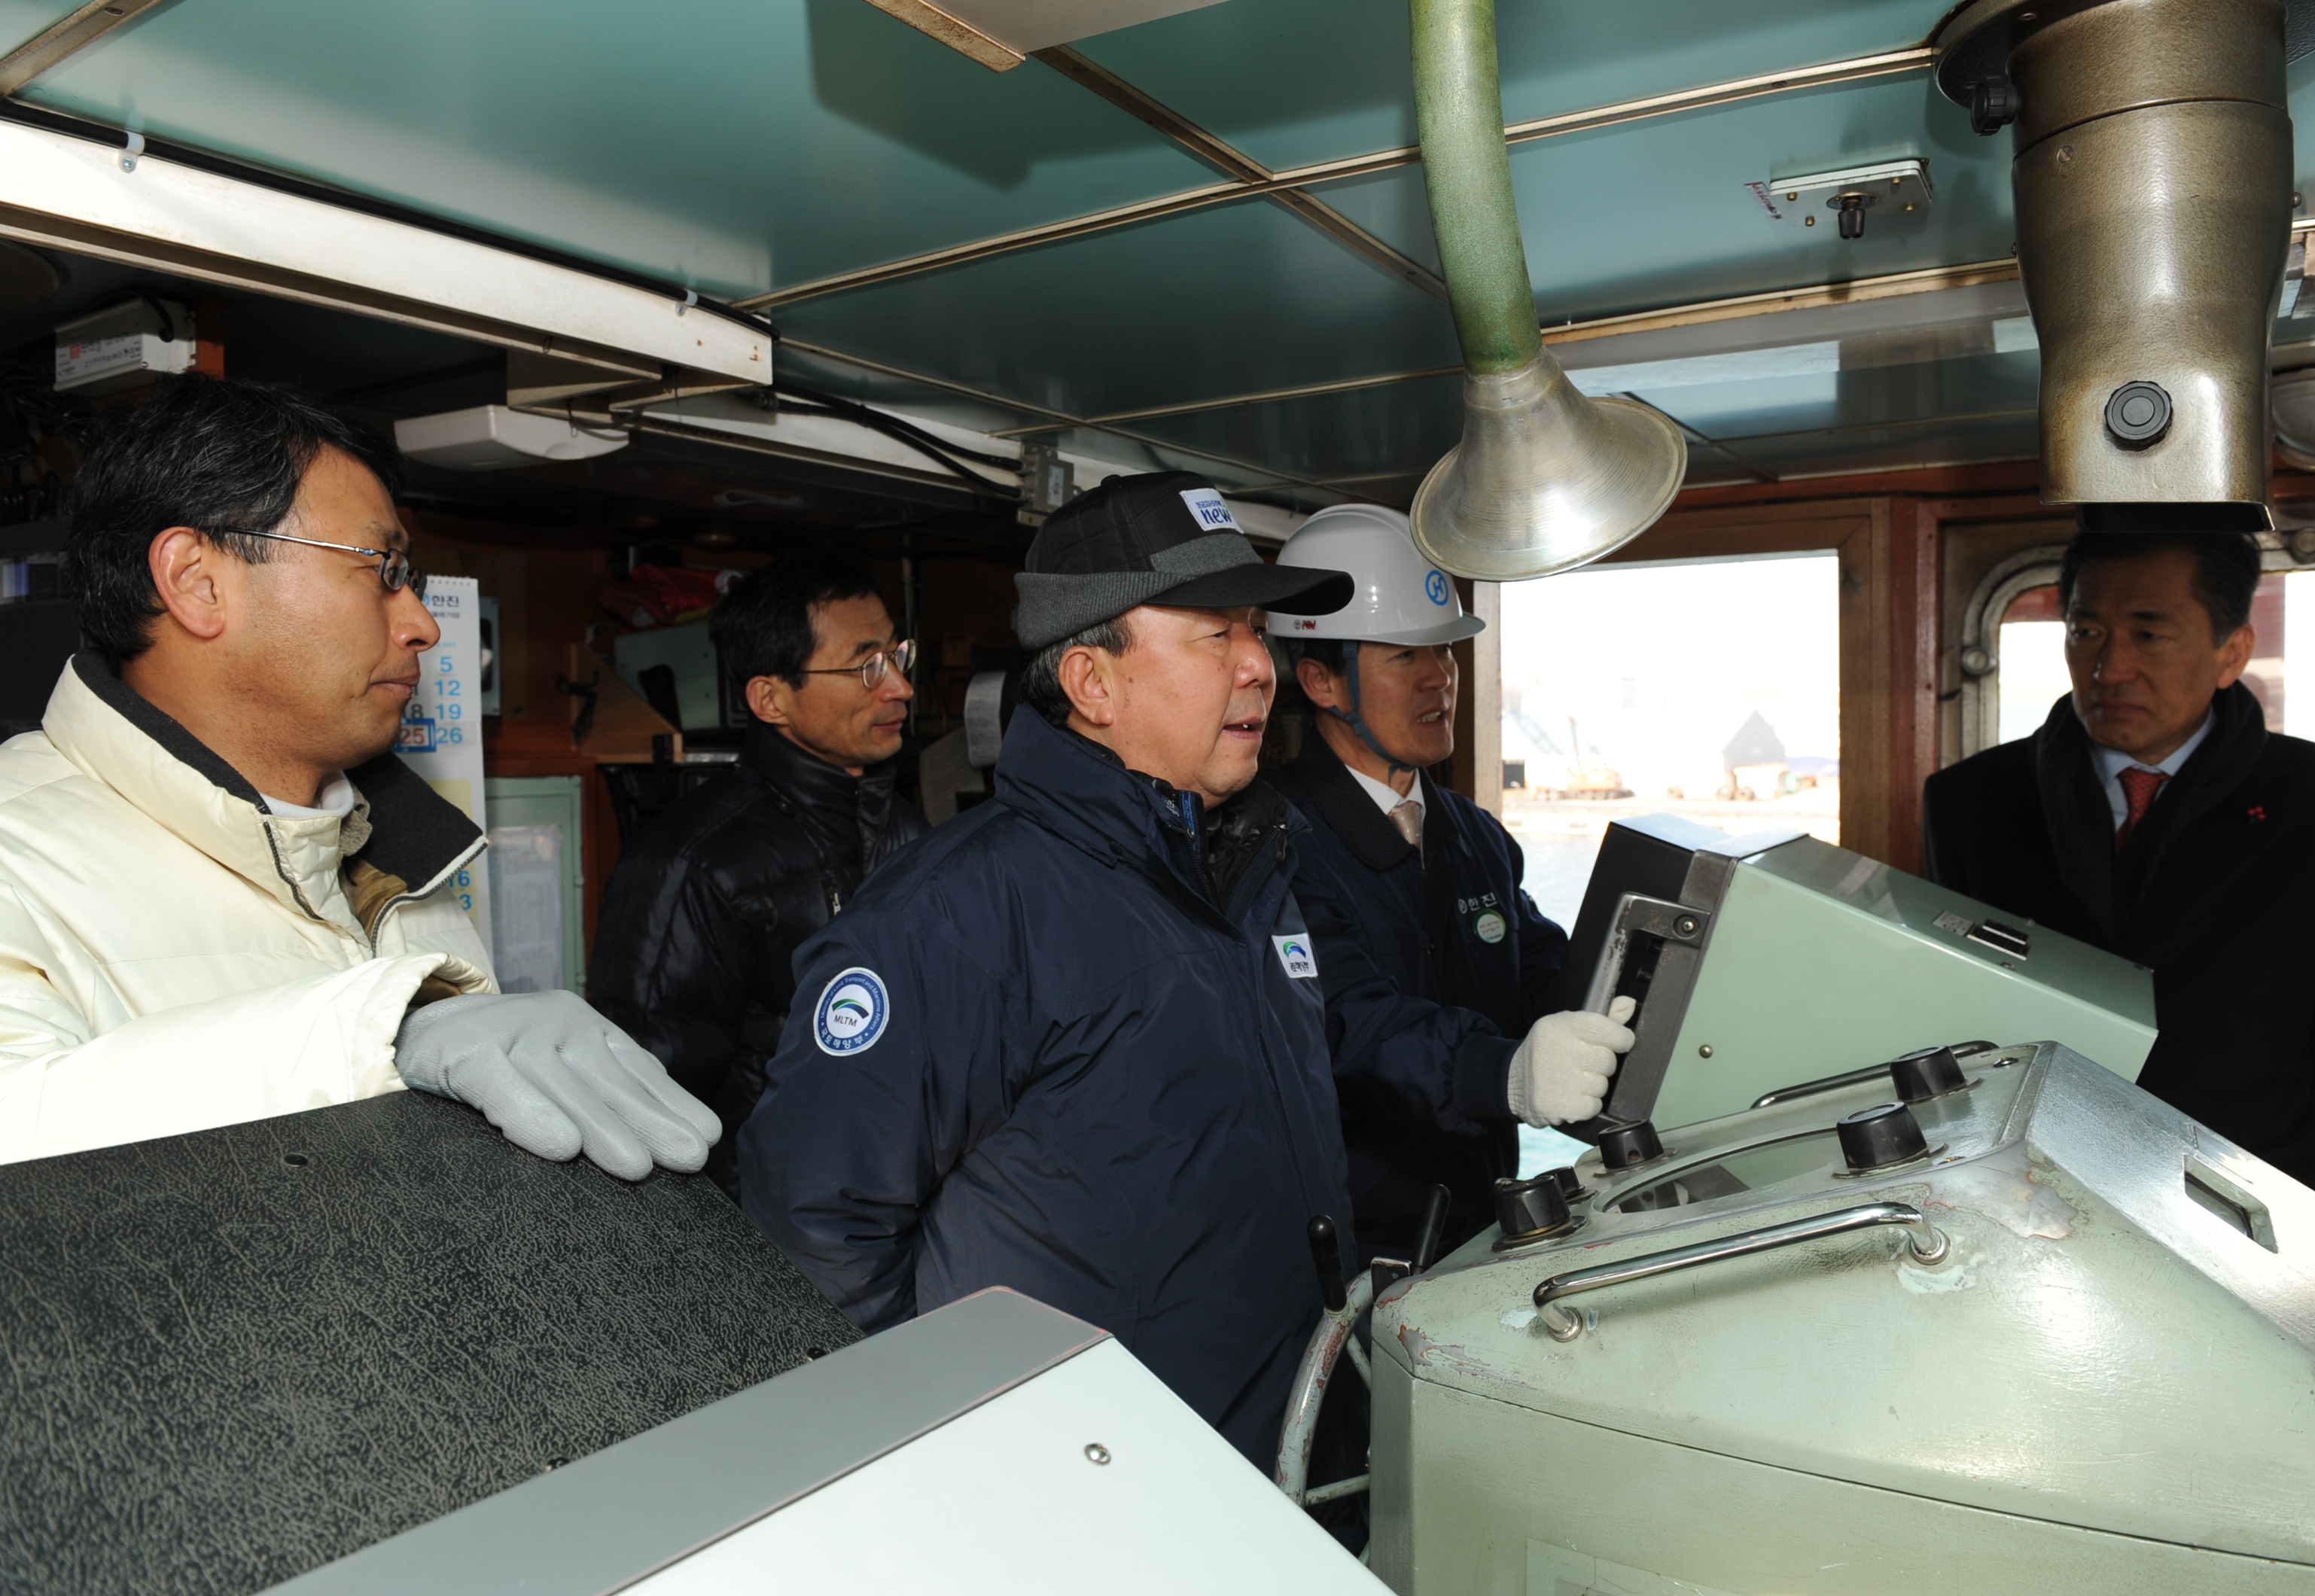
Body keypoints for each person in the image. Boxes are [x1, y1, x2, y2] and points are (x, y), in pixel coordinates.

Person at [738, 471, 1374, 1472]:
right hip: (1090, 1503)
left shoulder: (1248, 871)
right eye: (1218, 633)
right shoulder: (947, 920)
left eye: (1258, 630)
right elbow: (812, 1239)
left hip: (1284, 1465)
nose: (1261, 666)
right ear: (1093, 682)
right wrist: (983, 1455)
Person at [0, 373, 717, 1178]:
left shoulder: (391, 852)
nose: (419, 624)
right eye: (382, 569)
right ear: (198, 581)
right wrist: (381, 1033)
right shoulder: (13, 853)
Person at [1924, 530, 2315, 1195]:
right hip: (2031, 1186)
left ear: (2231, 652)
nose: (2110, 668)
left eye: (2149, 635)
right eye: (2086, 631)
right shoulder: (1971, 801)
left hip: (2249, 1190)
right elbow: (1960, 1014)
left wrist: (2259, 1166)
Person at [1264, 505, 1623, 1263]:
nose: (1441, 678)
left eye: (1448, 653)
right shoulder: (1273, 842)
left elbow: (1533, 971)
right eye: (1404, 656)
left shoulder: (1469, 831)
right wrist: (1505, 1072)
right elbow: (1349, 1025)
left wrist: (1624, 1005)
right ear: (1322, 680)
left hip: (1482, 1220)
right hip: (1356, 1247)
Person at [589, 552, 927, 1197]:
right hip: (763, 1230)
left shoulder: (907, 831)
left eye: (897, 655)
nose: (899, 687)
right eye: (866, 666)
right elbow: (645, 1107)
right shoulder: (690, 864)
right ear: (771, 698)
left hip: (892, 1205)